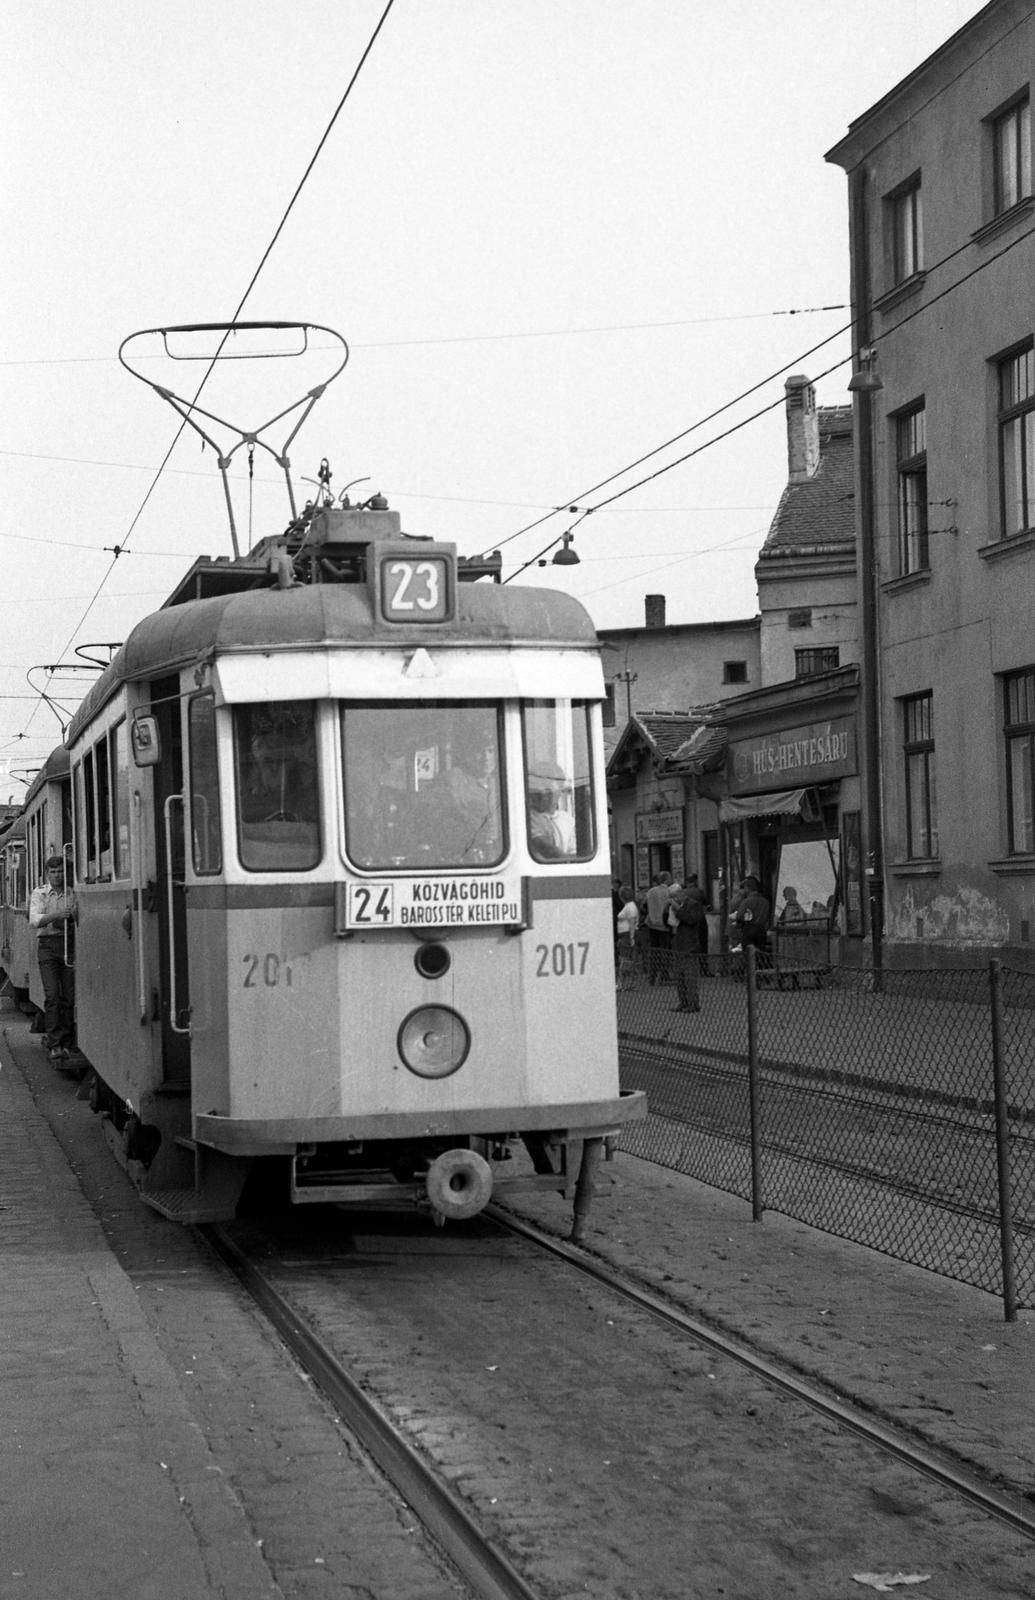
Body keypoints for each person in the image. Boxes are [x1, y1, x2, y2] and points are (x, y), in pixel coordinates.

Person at [28, 854, 77, 1063]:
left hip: (68, 943)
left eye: (60, 872)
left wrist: (71, 916)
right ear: (47, 874)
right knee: (52, 994)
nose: (57, 876)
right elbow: (35, 921)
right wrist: (57, 915)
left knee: (69, 996)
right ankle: (55, 1043)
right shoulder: (40, 893)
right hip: (48, 947)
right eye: (53, 872)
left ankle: (67, 1042)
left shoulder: (73, 893)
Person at [670, 884, 707, 1012]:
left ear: (681, 894)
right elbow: (667, 921)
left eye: (674, 896)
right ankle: (683, 1002)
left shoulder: (694, 905)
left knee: (689, 977)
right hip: (678, 944)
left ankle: (693, 1004)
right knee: (679, 977)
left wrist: (678, 911)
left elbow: (692, 919)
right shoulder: (674, 906)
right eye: (671, 897)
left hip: (689, 945)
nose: (673, 899)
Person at [527, 762, 575, 860]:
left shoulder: (567, 820)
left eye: (547, 789)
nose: (541, 792)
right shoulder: (528, 817)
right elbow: (544, 847)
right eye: (536, 788)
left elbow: (575, 853)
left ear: (561, 790)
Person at [733, 874, 771, 958]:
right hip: (761, 930)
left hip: (749, 929)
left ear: (748, 888)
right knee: (760, 954)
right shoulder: (765, 902)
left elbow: (739, 916)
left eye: (745, 887)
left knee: (749, 954)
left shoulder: (747, 901)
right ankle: (760, 969)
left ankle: (750, 970)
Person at [645, 871, 674, 985]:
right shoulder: (668, 892)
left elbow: (644, 905)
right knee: (664, 950)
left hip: (652, 923)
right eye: (670, 878)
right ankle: (664, 974)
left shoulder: (651, 891)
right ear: (666, 880)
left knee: (653, 950)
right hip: (664, 924)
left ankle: (652, 976)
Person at [615, 884, 639, 991]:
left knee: (624, 959)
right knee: (627, 959)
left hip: (627, 935)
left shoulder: (630, 907)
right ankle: (628, 983)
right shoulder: (629, 906)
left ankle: (622, 983)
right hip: (625, 935)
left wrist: (632, 938)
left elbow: (632, 922)